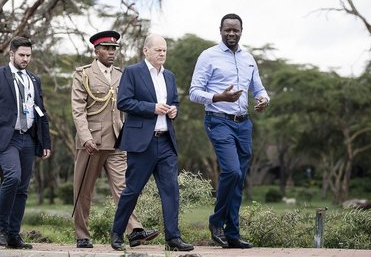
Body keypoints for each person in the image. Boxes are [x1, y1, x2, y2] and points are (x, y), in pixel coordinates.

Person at [189, 13, 270, 249]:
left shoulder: (249, 59)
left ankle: (232, 233)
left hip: (243, 123)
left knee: (239, 179)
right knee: (232, 171)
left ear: (242, 31)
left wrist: (264, 100)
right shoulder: (208, 56)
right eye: (227, 30)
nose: (231, 34)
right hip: (218, 120)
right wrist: (218, 96)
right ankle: (216, 222)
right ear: (220, 30)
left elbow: (259, 88)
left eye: (235, 30)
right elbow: (194, 92)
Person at [71, 30, 158, 249]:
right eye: (107, 49)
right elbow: (78, 111)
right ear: (96, 50)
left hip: (118, 139)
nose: (111, 52)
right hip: (92, 141)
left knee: (123, 187)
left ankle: (135, 231)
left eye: (114, 49)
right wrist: (85, 138)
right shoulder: (82, 74)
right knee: (84, 190)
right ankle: (82, 234)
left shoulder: (121, 74)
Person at [110, 33, 193, 252]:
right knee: (132, 190)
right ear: (146, 51)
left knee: (171, 190)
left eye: (164, 50)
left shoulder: (170, 76)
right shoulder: (132, 72)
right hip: (141, 143)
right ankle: (117, 233)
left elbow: (173, 101)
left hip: (165, 142)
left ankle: (173, 239)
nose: (162, 53)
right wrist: (152, 108)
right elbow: (123, 102)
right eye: (158, 50)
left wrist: (173, 110)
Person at [0, 36, 51, 249]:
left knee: (22, 188)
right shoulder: (1, 76)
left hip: (28, 138)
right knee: (13, 177)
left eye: (28, 55)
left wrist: (45, 142)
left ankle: (13, 235)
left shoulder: (34, 79)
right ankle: (1, 227)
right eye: (21, 55)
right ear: (11, 54)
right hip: (7, 138)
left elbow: (41, 111)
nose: (25, 59)